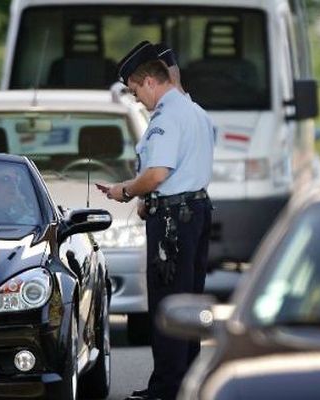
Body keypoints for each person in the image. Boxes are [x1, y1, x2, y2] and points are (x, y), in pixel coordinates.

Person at [102, 41, 215, 400]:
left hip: (172, 222)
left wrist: (126, 190)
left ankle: (166, 388)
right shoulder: (195, 111)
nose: (137, 99)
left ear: (150, 82)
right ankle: (185, 382)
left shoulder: (167, 118)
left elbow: (156, 174)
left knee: (167, 304)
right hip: (195, 212)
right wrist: (149, 198)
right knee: (188, 302)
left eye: (136, 90)